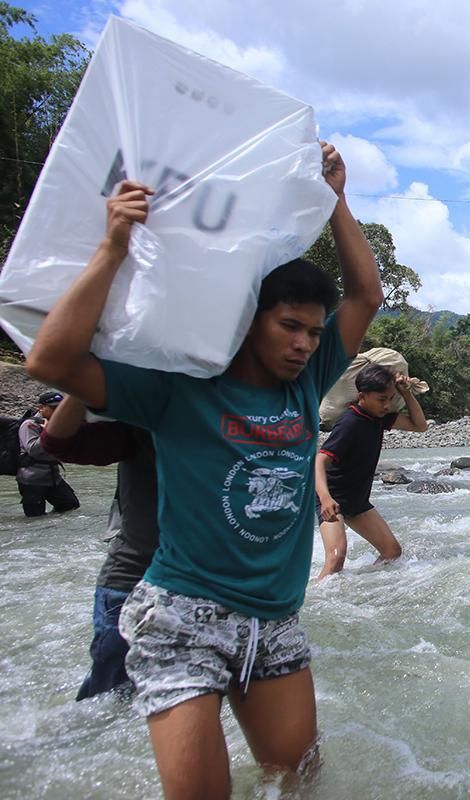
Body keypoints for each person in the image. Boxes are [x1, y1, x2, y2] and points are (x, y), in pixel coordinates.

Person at [25, 142, 383, 800]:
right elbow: (49, 361)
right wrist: (113, 247)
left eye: (312, 330)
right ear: (249, 322)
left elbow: (367, 293)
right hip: (183, 619)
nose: (304, 343)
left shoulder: (303, 389)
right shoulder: (179, 388)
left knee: (299, 783)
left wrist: (337, 201)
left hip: (275, 620)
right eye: (289, 327)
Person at [40, 394, 158, 700]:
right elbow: (58, 442)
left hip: (207, 586)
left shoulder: (248, 427)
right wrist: (83, 383)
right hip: (132, 578)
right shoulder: (145, 420)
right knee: (108, 696)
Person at [314, 363, 428, 579]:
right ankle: (315, 598)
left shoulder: (379, 418)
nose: (387, 405)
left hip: (356, 501)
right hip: (332, 499)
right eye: (381, 399)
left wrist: (405, 393)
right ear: (362, 396)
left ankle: (361, 587)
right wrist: (326, 498)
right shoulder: (350, 422)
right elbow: (319, 460)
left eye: (391, 398)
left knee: (392, 552)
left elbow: (420, 426)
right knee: (336, 557)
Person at [16, 390, 80, 517]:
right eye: (53, 408)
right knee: (35, 518)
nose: (58, 411)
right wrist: (49, 432)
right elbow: (33, 449)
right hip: (31, 480)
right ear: (41, 408)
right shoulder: (30, 425)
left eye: (60, 407)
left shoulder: (60, 423)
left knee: (70, 505)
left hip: (53, 477)